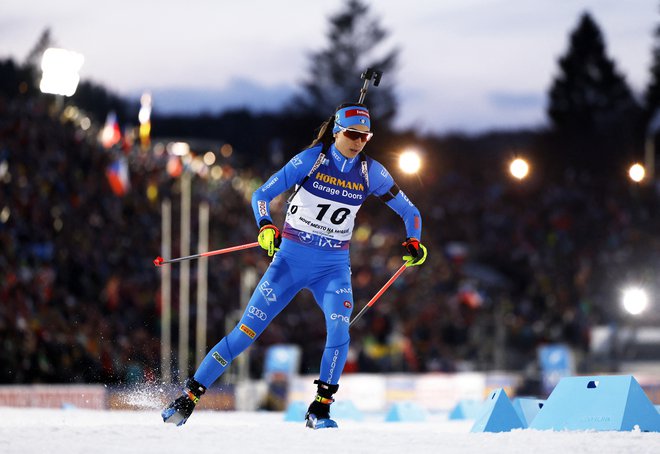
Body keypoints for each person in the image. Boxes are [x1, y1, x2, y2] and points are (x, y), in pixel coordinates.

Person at [162, 102, 427, 429]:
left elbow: (410, 212)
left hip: (332, 269)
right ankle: (188, 396)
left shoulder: (370, 172)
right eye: (352, 134)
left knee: (339, 330)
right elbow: (260, 194)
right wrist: (265, 226)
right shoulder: (310, 160)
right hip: (289, 262)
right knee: (245, 333)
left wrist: (413, 240)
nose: (359, 142)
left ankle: (320, 409)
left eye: (365, 137)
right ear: (336, 131)